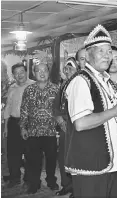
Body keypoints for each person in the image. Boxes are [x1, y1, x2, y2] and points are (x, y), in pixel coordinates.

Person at [63, 24, 117, 198]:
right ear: (87, 55)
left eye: (109, 51)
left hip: (115, 164)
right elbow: (80, 123)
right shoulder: (81, 81)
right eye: (100, 51)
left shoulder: (107, 81)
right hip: (92, 167)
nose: (106, 56)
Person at [20, 63, 60, 194]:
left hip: (50, 131)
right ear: (34, 73)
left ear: (48, 72)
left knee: (51, 159)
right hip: (33, 131)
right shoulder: (29, 90)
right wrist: (23, 127)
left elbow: (60, 110)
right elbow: (24, 110)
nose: (42, 73)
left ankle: (51, 181)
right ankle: (34, 183)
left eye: (44, 70)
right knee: (33, 160)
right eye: (38, 71)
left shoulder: (56, 89)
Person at [3, 63, 34, 188]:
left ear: (26, 72)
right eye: (16, 73)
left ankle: (29, 178)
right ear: (13, 75)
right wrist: (5, 127)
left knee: (29, 152)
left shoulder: (33, 85)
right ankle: (14, 177)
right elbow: (8, 108)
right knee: (13, 153)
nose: (19, 75)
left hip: (29, 122)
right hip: (13, 122)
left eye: (21, 72)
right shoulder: (12, 88)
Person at [53, 57, 80, 198]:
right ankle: (66, 185)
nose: (67, 71)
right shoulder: (62, 86)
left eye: (71, 68)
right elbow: (56, 107)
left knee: (75, 158)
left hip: (77, 128)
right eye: (66, 68)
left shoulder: (81, 84)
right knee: (63, 157)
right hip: (64, 129)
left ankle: (76, 188)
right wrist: (59, 120)